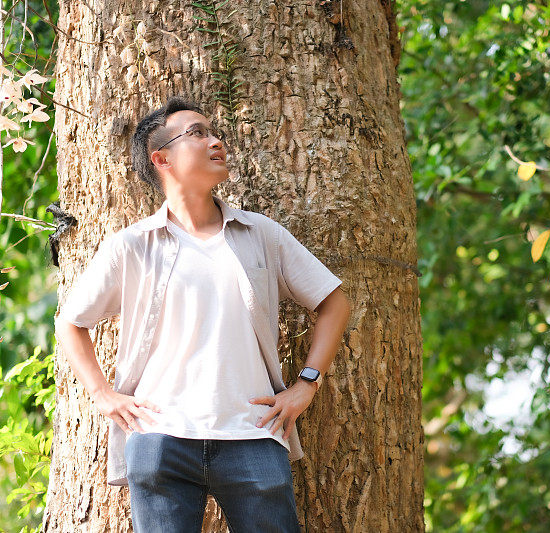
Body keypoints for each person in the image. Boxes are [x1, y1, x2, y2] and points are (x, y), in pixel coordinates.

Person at [54, 96, 351, 532]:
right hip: (159, 438)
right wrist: (102, 394)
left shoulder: (259, 233)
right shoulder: (132, 245)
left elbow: (333, 301)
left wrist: (306, 384)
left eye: (215, 133)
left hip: (254, 433)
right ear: (162, 159)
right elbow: (71, 321)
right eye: (197, 133)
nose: (216, 142)